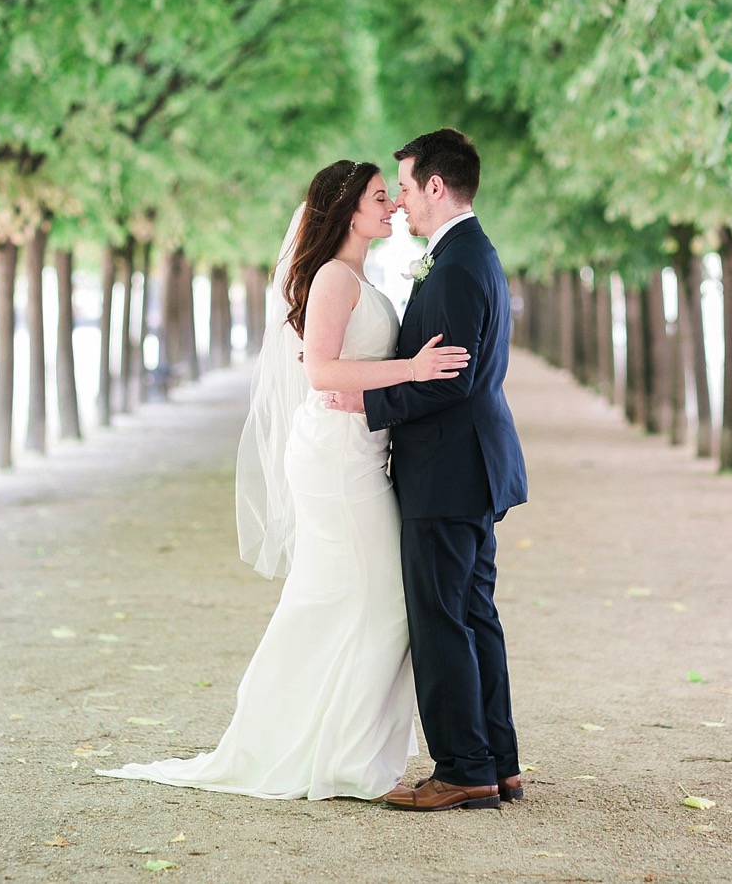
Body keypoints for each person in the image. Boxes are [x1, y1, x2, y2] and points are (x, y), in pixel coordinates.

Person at [97, 159, 467, 801]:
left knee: (358, 598)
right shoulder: (332, 277)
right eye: (381, 198)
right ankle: (334, 754)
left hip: (354, 453)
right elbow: (322, 371)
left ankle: (332, 745)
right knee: (376, 600)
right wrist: (413, 367)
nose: (392, 207)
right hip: (335, 462)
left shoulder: (355, 274)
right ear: (349, 208)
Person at [330, 128, 528, 812]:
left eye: (407, 188)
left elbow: (450, 380)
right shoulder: (470, 255)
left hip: (447, 467)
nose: (402, 203)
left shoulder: (454, 265)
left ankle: (464, 767)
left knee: (442, 618)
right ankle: (497, 760)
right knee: (473, 615)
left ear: (436, 187)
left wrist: (367, 399)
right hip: (469, 464)